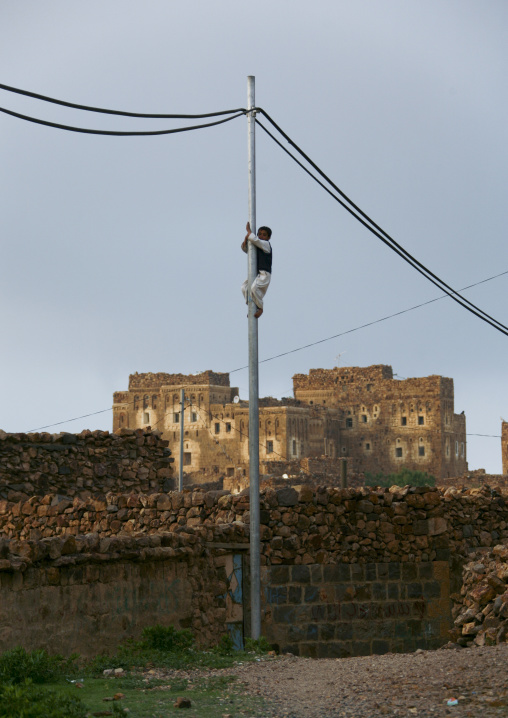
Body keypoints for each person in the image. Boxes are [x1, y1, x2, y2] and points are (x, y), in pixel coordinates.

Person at [241, 221, 272, 318]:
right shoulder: (257, 247)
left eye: (264, 235)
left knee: (254, 288)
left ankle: (260, 308)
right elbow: (245, 249)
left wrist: (249, 231)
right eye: (259, 234)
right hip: (255, 273)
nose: (261, 236)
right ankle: (251, 306)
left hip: (264, 273)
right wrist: (247, 237)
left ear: (268, 237)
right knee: (244, 287)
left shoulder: (266, 245)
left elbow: (255, 240)